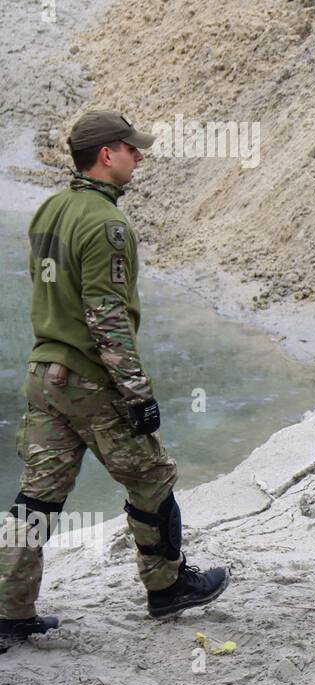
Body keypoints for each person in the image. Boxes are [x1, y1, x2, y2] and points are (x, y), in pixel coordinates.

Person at [0, 110, 229, 653]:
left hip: (43, 376)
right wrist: (139, 394)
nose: (139, 156)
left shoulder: (49, 210)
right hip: (89, 381)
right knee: (152, 478)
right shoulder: (109, 225)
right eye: (132, 148)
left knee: (37, 498)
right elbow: (106, 315)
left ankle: (8, 612)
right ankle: (168, 587)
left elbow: (50, 292)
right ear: (107, 154)